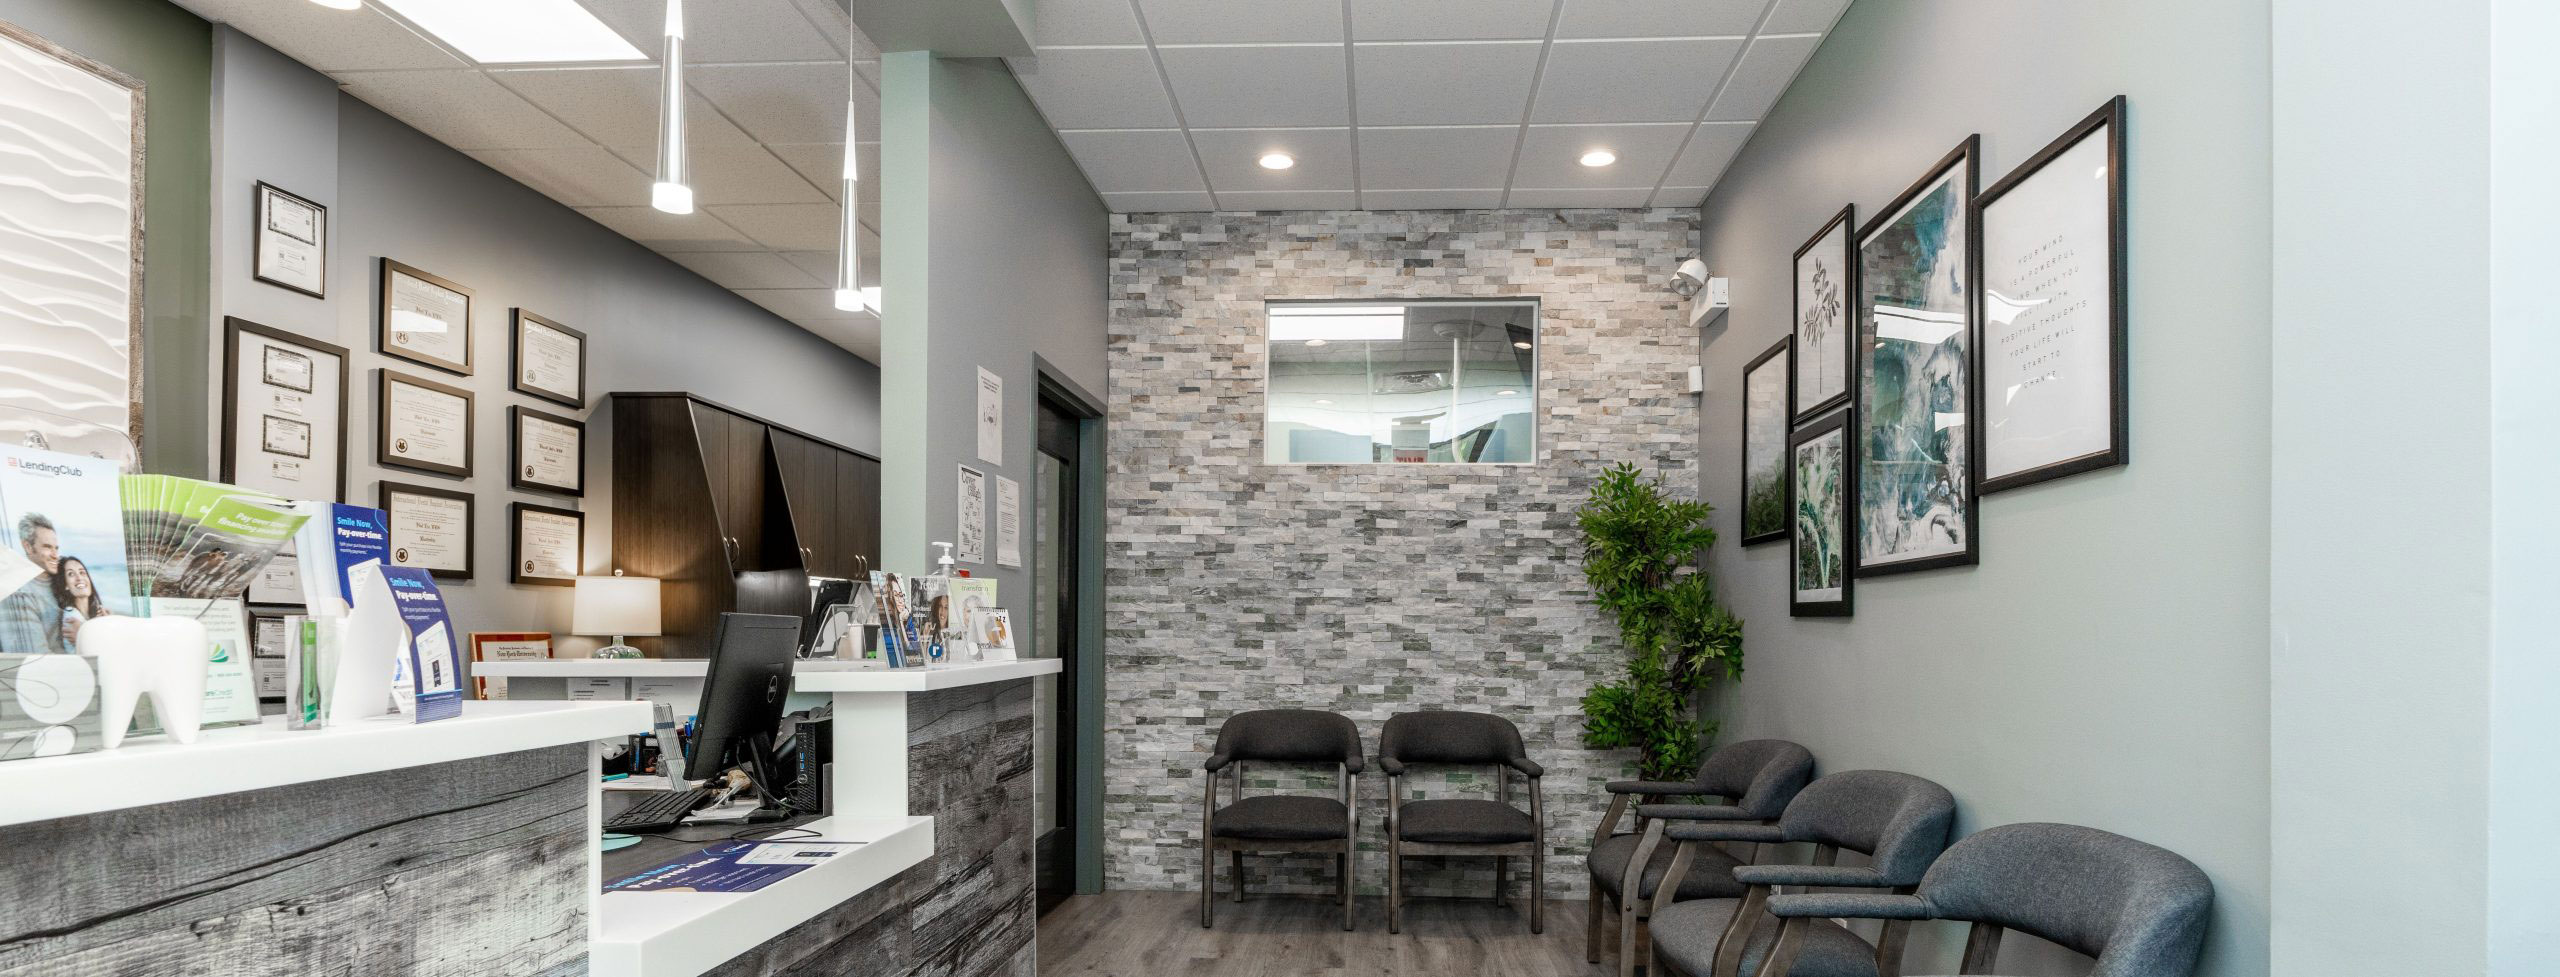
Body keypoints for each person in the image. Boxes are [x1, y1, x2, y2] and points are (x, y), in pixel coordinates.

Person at [0, 513, 66, 654]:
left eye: (56, 548)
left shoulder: (59, 582)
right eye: (48, 547)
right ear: (28, 547)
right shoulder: (18, 592)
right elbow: (33, 656)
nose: (55, 555)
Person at [52, 555, 111, 649]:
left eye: (82, 572)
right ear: (65, 585)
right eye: (71, 574)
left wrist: (107, 623)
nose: (79, 578)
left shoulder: (92, 616)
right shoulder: (71, 615)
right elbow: (101, 651)